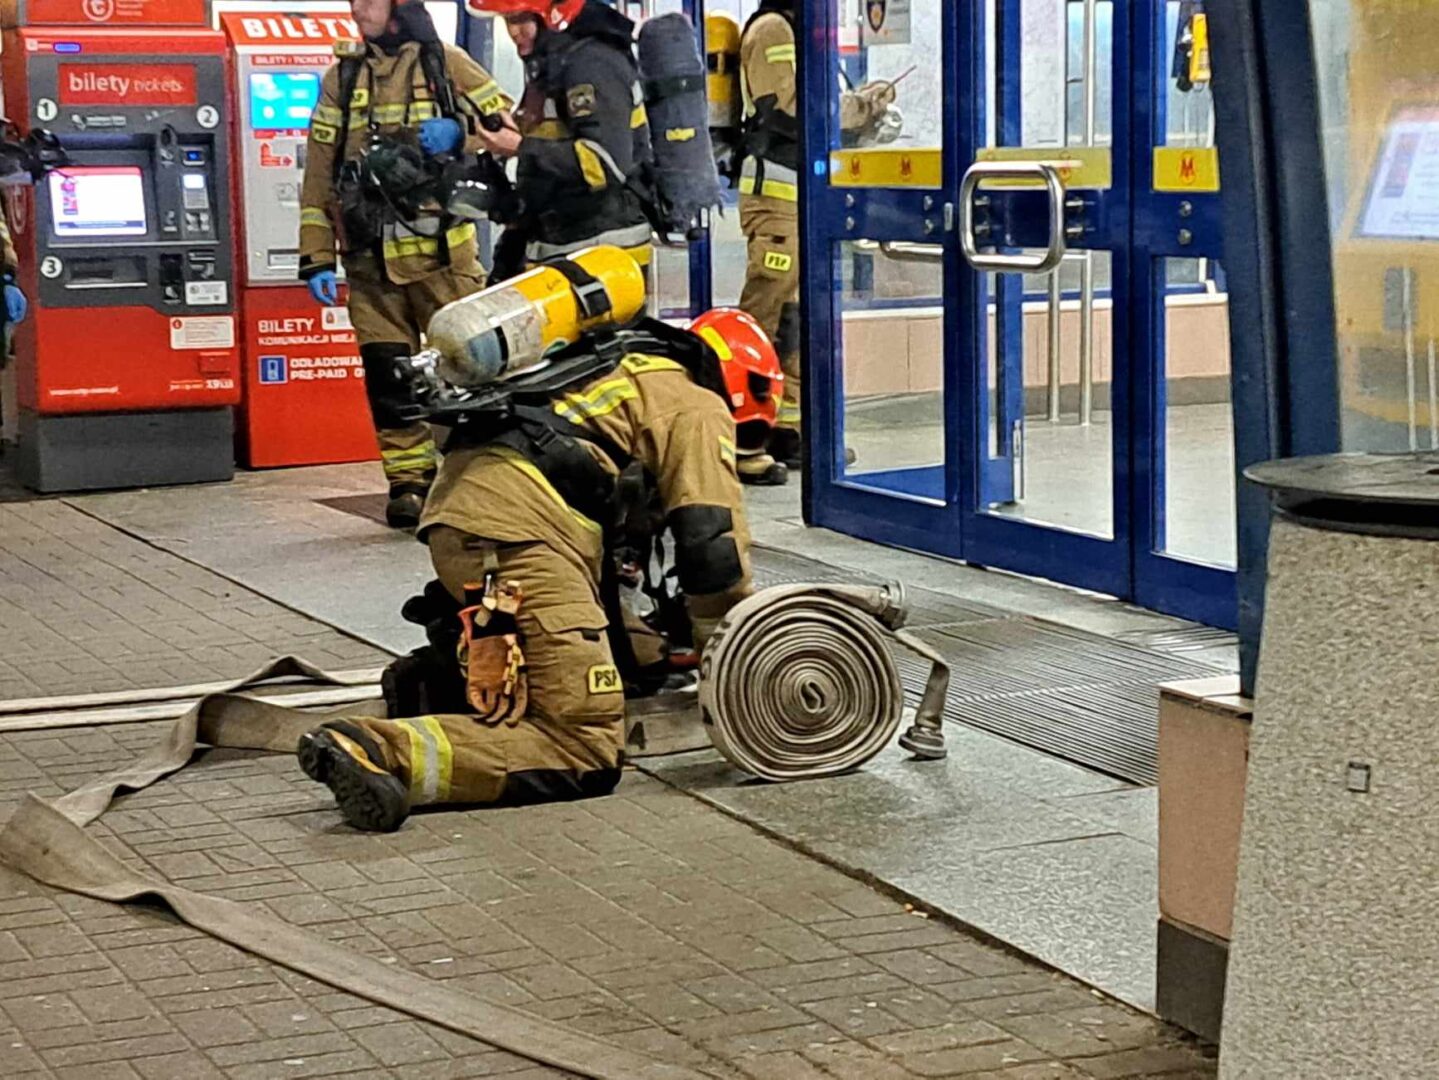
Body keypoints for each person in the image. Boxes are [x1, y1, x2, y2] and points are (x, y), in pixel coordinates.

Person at [296, 256, 776, 832]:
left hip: (464, 523)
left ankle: (440, 688)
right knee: (584, 742)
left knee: (626, 662)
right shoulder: (694, 402)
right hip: (520, 538)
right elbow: (711, 543)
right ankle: (382, 752)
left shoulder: (610, 366)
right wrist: (737, 655)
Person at [298, 0, 512, 528]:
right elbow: (319, 173)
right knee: (389, 377)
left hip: (442, 259)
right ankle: (409, 484)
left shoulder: (448, 63)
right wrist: (316, 256)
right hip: (370, 263)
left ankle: (471, 478)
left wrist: (458, 133)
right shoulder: (341, 79)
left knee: (464, 372)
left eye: (368, 1)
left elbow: (507, 130)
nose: (357, 10)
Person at [737, 0, 896, 472]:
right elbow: (789, 108)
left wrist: (861, 105)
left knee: (798, 320)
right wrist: (862, 105)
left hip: (803, 200)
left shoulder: (801, 29)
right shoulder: (773, 29)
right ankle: (746, 436)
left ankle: (791, 428)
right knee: (764, 319)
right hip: (777, 202)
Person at [463, 0, 654, 280]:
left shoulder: (592, 64)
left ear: (553, 14)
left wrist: (519, 147)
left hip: (603, 253)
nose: (513, 32)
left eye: (520, 20)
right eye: (507, 21)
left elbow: (604, 164)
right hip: (558, 241)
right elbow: (549, 140)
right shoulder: (550, 63)